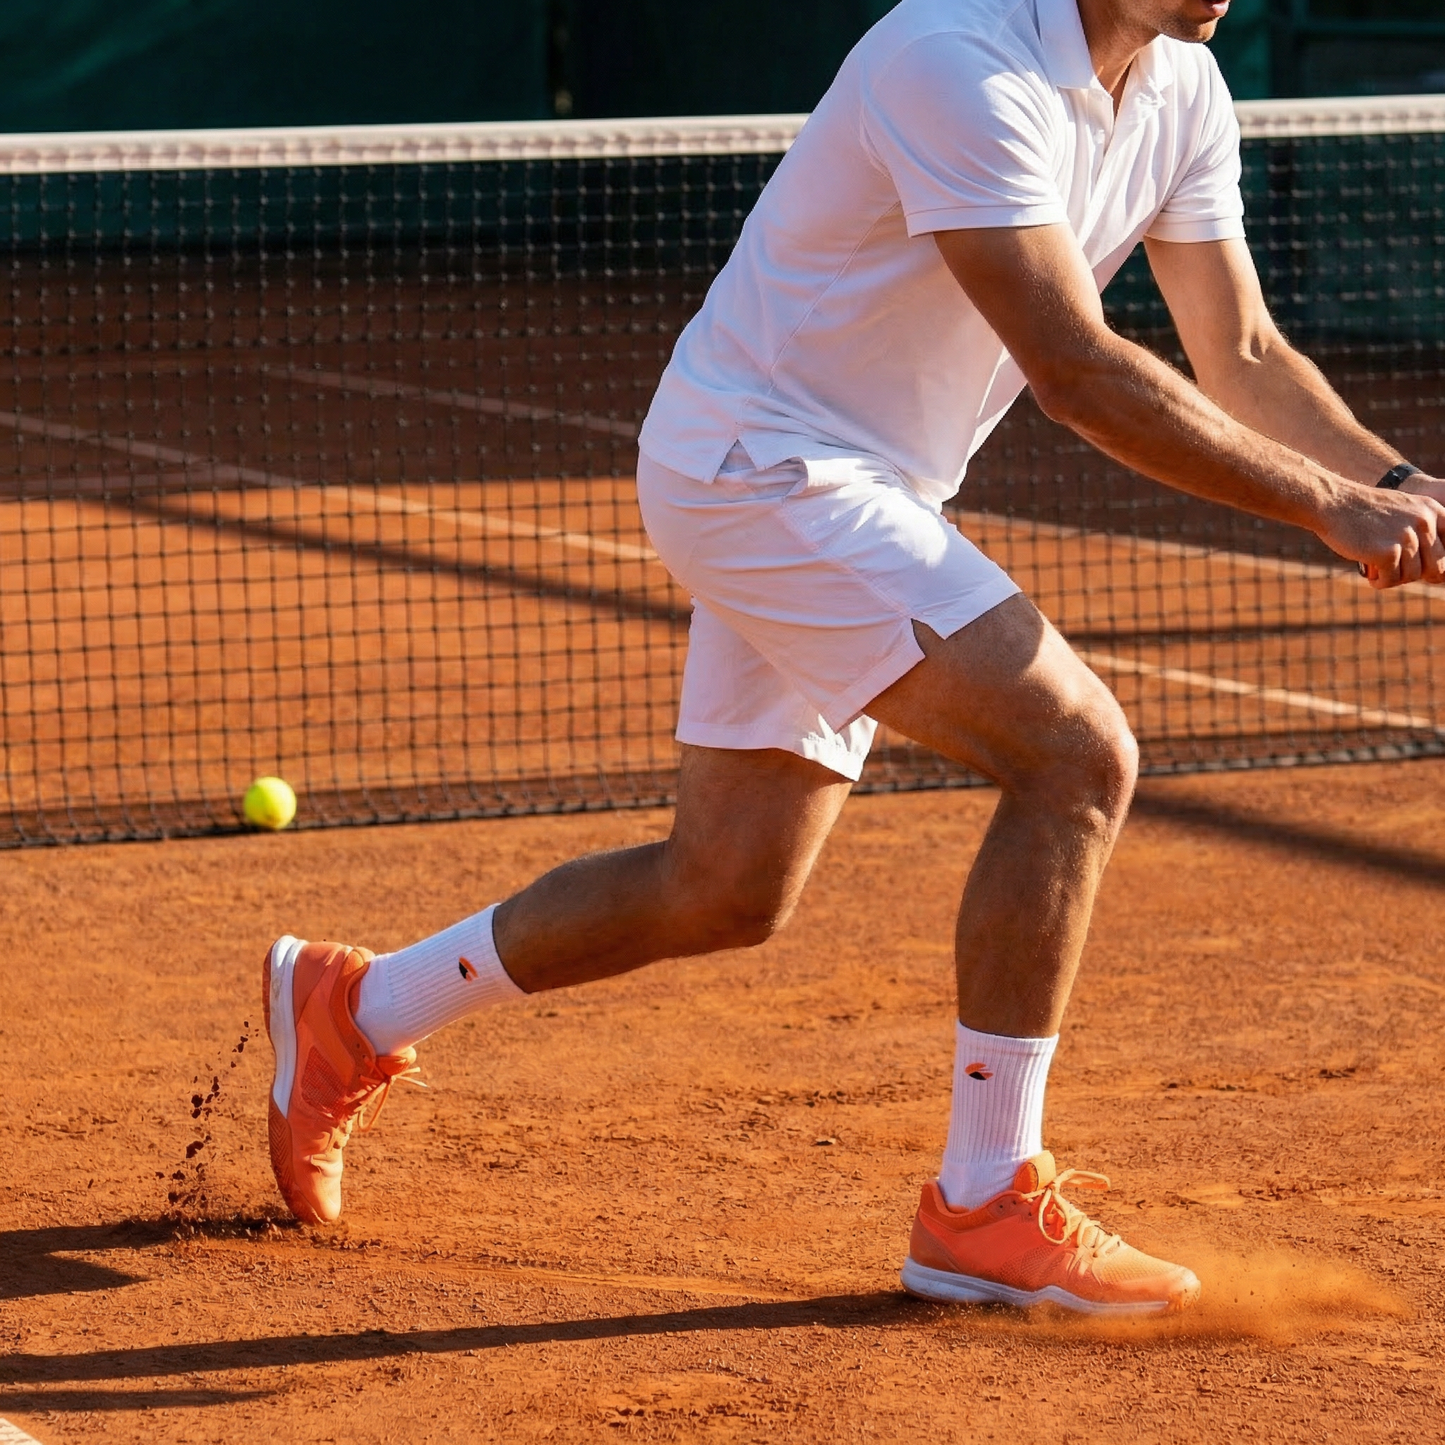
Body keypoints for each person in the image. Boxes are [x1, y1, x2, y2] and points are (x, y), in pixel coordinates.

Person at [261, 0, 1445, 1315]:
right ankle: (984, 1202)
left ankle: (355, 1012)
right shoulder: (957, 59)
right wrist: (1323, 506)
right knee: (1074, 756)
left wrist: (1395, 479)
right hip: (762, 463)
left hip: (860, 486)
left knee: (722, 886)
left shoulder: (1185, 91)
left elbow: (1245, 349)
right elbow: (1074, 369)